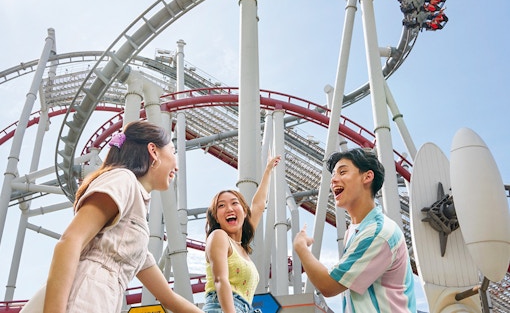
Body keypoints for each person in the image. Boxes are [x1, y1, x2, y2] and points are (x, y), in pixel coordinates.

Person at [20, 120, 203, 313]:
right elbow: (70, 241)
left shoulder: (133, 238)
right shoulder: (123, 179)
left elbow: (169, 298)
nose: (177, 165)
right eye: (173, 151)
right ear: (153, 151)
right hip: (85, 296)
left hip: (101, 300)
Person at [293, 148, 416, 313]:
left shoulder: (378, 232)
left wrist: (300, 247)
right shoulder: (354, 231)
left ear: (367, 177)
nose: (334, 180)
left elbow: (329, 285)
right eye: (333, 175)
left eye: (342, 172)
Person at [202, 156, 281, 313]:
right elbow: (220, 280)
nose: (229, 208)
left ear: (245, 212)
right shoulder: (219, 236)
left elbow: (258, 205)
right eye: (221, 206)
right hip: (222, 307)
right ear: (216, 217)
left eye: (234, 203)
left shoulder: (241, 247)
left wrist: (268, 171)